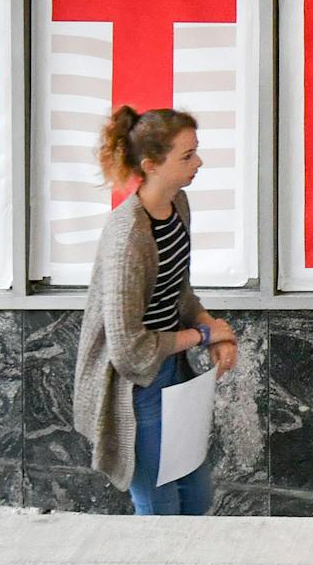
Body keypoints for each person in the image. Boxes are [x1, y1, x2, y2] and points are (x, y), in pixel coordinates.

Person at [72, 105, 238, 515]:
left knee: (196, 496)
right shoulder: (128, 234)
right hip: (138, 385)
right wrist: (202, 336)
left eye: (196, 151)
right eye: (187, 156)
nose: (199, 162)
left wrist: (213, 327)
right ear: (151, 165)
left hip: (175, 369)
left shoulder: (177, 206)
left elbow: (178, 291)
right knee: (160, 507)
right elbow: (128, 350)